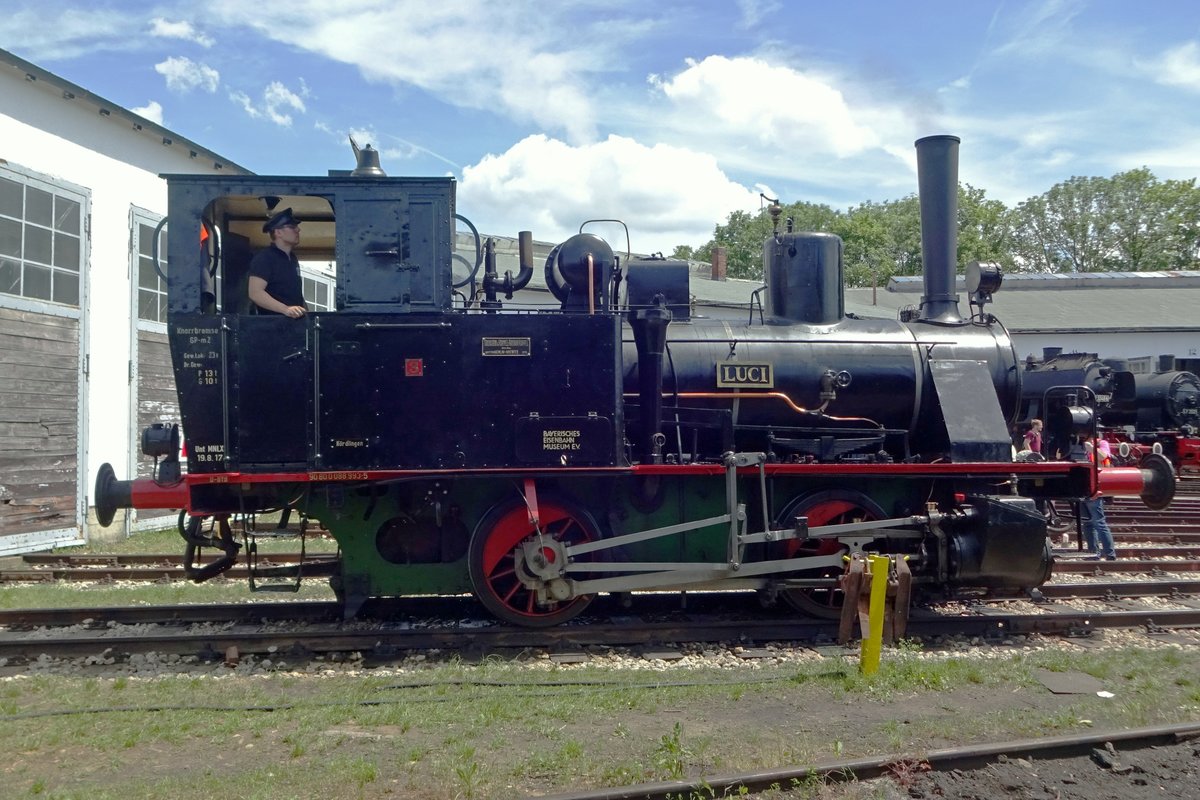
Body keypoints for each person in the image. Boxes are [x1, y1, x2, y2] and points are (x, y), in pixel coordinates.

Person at [248, 208, 307, 319]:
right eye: (292, 227)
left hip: (293, 324)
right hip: (272, 326)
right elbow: (255, 292)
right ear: (278, 232)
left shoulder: (293, 259)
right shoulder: (265, 258)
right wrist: (285, 309)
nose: (298, 230)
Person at [1080, 439, 1117, 560]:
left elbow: (1103, 456)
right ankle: (1093, 552)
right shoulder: (1078, 443)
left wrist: (1091, 448)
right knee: (1087, 523)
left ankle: (1110, 554)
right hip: (1082, 487)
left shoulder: (1102, 443)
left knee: (1099, 523)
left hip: (1095, 487)